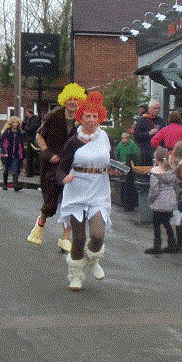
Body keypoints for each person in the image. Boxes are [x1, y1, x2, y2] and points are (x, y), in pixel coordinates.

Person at [57, 91, 112, 290]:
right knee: (78, 239)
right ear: (81, 117)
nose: (91, 120)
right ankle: (76, 275)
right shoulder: (73, 141)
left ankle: (93, 259)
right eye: (87, 116)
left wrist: (114, 170)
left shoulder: (105, 138)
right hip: (77, 191)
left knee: (97, 236)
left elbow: (110, 161)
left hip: (99, 191)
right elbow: (62, 167)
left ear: (100, 118)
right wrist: (63, 178)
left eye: (95, 116)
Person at [28, 84, 85, 250]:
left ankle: (65, 238)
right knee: (51, 203)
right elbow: (39, 135)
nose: (73, 102)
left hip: (72, 167)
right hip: (52, 167)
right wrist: (48, 153)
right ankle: (41, 221)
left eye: (76, 99)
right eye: (70, 99)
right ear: (64, 100)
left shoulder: (82, 120)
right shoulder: (54, 116)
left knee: (70, 203)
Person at [145, 146, 179, 255]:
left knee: (156, 224)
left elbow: (154, 189)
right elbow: (176, 186)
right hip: (170, 200)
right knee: (167, 223)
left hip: (159, 201)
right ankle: (172, 244)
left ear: (156, 158)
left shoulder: (155, 172)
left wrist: (150, 200)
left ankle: (157, 246)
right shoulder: (172, 171)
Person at [132, 100, 165, 166]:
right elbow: (136, 136)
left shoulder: (161, 120)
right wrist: (148, 133)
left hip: (158, 151)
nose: (157, 110)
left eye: (158, 108)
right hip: (146, 152)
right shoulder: (142, 120)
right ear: (149, 109)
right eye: (155, 108)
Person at [0, 115, 27, 191]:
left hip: (16, 154)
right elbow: (2, 142)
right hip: (7, 154)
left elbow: (22, 143)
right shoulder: (7, 132)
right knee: (6, 170)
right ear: (11, 123)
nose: (15, 124)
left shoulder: (20, 132)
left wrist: (22, 154)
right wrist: (4, 151)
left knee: (15, 169)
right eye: (14, 122)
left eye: (17, 122)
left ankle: (15, 185)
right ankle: (5, 183)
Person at [21, 108, 42, 177]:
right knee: (28, 156)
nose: (26, 116)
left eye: (27, 114)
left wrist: (26, 127)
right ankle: (29, 172)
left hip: (33, 139)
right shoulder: (27, 120)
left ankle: (35, 170)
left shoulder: (35, 119)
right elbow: (24, 128)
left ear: (31, 114)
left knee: (35, 155)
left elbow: (31, 128)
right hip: (29, 139)